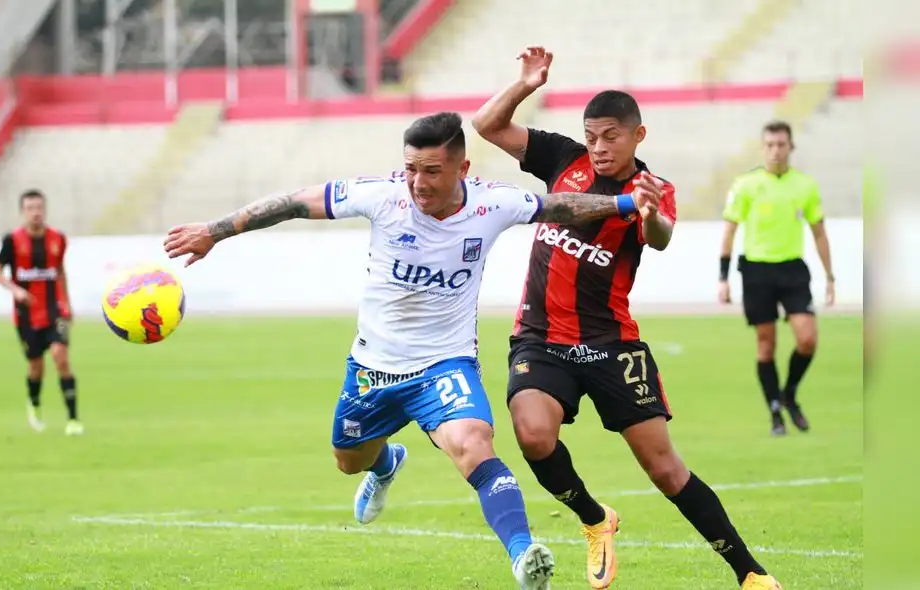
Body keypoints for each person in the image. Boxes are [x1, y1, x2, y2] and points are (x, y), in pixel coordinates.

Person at [163, 111, 664, 589]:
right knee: (348, 460)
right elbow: (294, 202)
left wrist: (628, 205)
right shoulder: (383, 196)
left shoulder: (493, 204)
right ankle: (386, 465)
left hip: (444, 366)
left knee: (474, 445)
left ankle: (523, 555)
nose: (418, 183)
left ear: (462, 169)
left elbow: (559, 206)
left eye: (431, 171)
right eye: (410, 169)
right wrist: (214, 231)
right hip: (372, 369)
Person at [473, 47, 782, 590]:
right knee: (533, 435)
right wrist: (525, 84)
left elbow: (659, 238)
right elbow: (486, 125)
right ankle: (595, 518)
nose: (597, 147)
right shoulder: (562, 158)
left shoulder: (653, 189)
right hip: (541, 339)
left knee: (665, 469)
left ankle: (750, 573)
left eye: (610, 137)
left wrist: (651, 212)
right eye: (591, 136)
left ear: (638, 136)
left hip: (611, 342)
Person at [718, 120, 835, 436]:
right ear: (762, 148)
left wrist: (830, 276)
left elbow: (819, 233)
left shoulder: (805, 186)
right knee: (766, 345)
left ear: (791, 147)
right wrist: (723, 277)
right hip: (757, 270)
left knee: (807, 339)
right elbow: (729, 231)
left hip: (792, 269)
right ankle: (775, 413)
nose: (775, 151)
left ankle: (789, 393)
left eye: (781, 144)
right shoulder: (746, 184)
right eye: (769, 145)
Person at [0, 190, 82, 436]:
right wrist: (16, 290)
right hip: (27, 315)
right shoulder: (12, 241)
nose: (36, 212)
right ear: (22, 212)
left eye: (39, 207)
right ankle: (34, 403)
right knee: (36, 368)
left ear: (45, 209)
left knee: (61, 358)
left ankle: (73, 419)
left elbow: (60, 271)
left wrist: (68, 304)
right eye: (30, 208)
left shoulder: (57, 239)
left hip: (56, 311)